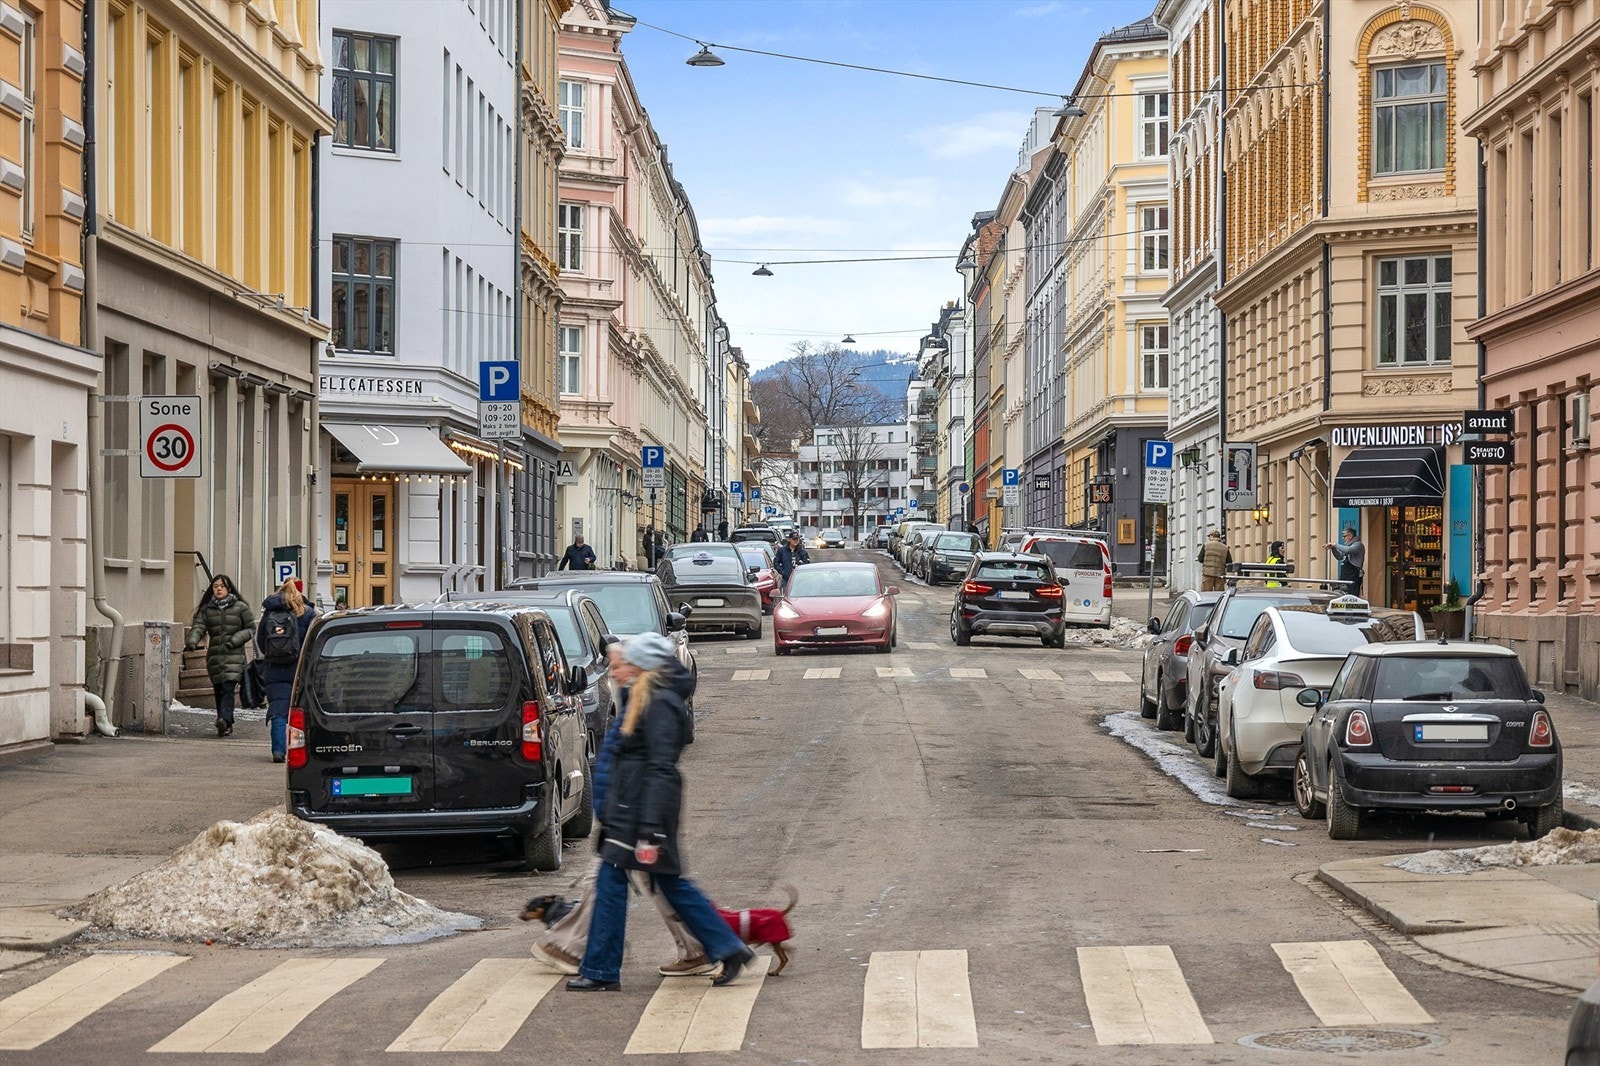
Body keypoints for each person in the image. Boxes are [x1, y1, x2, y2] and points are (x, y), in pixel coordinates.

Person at [567, 633, 754, 991]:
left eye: (628, 664)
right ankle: (728, 948)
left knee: (631, 885)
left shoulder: (660, 702)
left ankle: (602, 970)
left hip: (643, 812)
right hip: (632, 809)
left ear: (645, 666)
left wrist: (650, 829)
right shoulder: (644, 696)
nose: (619, 670)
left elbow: (660, 768)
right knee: (665, 884)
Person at [532, 642, 713, 979]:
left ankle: (578, 951)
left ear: (636, 667)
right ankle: (702, 946)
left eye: (617, 667)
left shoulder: (651, 703)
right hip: (625, 816)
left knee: (619, 885)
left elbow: (656, 768)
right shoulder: (634, 700)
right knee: (636, 885)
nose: (612, 674)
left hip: (634, 818)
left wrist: (645, 825)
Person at [184, 574, 255, 738]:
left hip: (234, 655)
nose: (219, 589)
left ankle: (223, 719)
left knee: (228, 689)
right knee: (219, 690)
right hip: (215, 656)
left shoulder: (240, 607)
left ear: (228, 588)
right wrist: (192, 642)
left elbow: (251, 629)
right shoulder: (207, 609)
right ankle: (226, 723)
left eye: (222, 586)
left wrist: (235, 640)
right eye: (215, 586)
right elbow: (198, 627)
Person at [256, 578, 316, 762]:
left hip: (274, 670)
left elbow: (261, 640)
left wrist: (273, 656)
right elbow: (313, 641)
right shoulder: (307, 613)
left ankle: (278, 750)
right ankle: (298, 748)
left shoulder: (270, 612)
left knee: (278, 711)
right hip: (299, 670)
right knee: (300, 711)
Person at [1325, 526, 1366, 596]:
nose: (1343, 538)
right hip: (1344, 577)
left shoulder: (1358, 545)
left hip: (1353, 577)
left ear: (1350, 536)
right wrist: (1333, 548)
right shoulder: (1347, 546)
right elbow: (1339, 556)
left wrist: (1335, 545)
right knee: (1342, 596)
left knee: (1351, 596)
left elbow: (1348, 550)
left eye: (1344, 536)